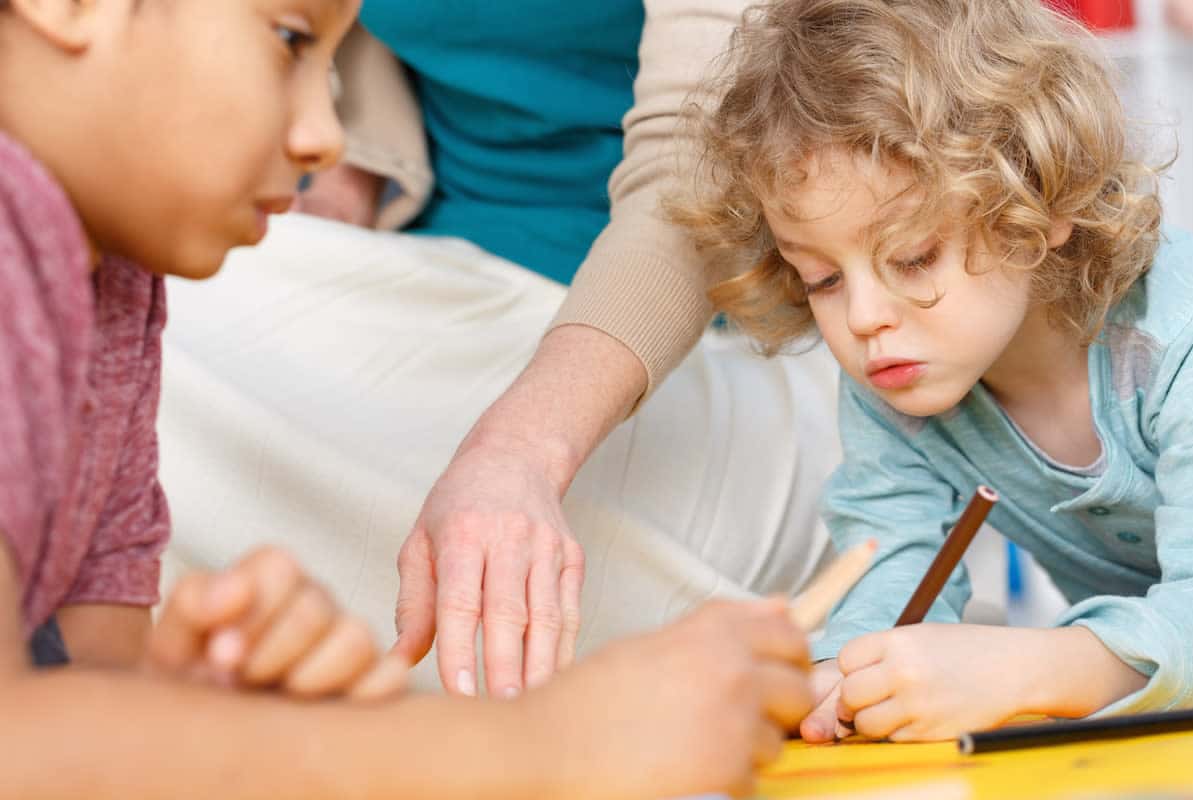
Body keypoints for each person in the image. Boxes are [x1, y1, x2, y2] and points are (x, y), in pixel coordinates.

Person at [0, 0, 818, 795]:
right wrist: (539, 750)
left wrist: (174, 717)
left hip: (677, 360)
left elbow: (83, 683)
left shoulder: (110, 284)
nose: (323, 133)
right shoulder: (82, 252)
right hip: (410, 283)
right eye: (290, 43)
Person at [158, 0, 842, 697]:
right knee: (136, 296)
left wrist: (517, 455)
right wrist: (348, 172)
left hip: (711, 354)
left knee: (152, 352)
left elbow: (699, 166)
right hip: (426, 279)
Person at [671, 0, 1193, 743]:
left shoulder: (1183, 337)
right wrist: (849, 676)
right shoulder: (898, 378)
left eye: (912, 258)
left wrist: (1033, 670)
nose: (862, 318)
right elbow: (892, 562)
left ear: (1044, 197)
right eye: (822, 278)